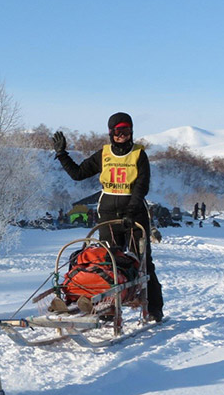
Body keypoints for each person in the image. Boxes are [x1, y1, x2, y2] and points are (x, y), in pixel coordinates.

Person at [51, 112, 164, 322]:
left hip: (135, 214)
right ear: (111, 133)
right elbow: (78, 174)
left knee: (143, 263)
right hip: (108, 215)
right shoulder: (103, 154)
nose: (122, 135)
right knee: (108, 262)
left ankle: (155, 308)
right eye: (117, 131)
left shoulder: (139, 154)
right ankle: (108, 307)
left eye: (126, 131)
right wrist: (62, 154)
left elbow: (141, 187)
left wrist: (131, 212)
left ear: (132, 132)